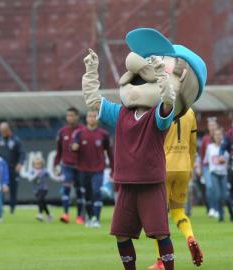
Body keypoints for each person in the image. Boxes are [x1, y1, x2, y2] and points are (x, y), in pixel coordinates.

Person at [83, 50, 177, 270]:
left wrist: (161, 74)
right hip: (126, 184)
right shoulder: (120, 113)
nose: (136, 89)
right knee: (121, 235)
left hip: (151, 183)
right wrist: (91, 70)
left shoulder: (157, 117)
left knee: (160, 234)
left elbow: (168, 101)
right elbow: (93, 100)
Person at [148, 109, 203, 270]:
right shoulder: (190, 112)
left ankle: (160, 261)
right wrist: (190, 167)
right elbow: (193, 144)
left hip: (163, 167)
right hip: (184, 167)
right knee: (178, 211)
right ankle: (190, 237)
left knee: (159, 216)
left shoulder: (161, 109)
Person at [71, 110, 113, 228]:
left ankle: (96, 219)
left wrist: (113, 169)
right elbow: (72, 147)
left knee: (96, 191)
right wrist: (74, 148)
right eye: (90, 116)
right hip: (83, 169)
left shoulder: (103, 134)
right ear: (86, 118)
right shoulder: (79, 133)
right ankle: (90, 217)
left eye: (95, 116)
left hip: (98, 169)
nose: (92, 118)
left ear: (98, 118)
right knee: (87, 195)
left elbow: (109, 152)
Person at [54, 107, 85, 224]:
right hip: (66, 165)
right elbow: (59, 150)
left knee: (79, 191)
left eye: (72, 115)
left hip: (80, 166)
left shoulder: (83, 130)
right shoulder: (62, 131)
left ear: (77, 116)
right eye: (68, 116)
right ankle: (65, 214)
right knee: (66, 189)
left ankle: (79, 217)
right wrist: (56, 165)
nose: (70, 118)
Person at [205, 128, 232, 222]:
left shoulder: (226, 148)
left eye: (220, 135)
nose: (218, 137)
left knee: (225, 195)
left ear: (223, 136)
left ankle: (231, 212)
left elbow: (229, 161)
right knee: (217, 195)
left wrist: (224, 162)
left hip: (224, 174)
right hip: (214, 173)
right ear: (213, 137)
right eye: (216, 135)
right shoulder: (210, 147)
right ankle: (221, 216)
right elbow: (207, 161)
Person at [0, 122, 25, 214]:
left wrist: (20, 163)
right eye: (1, 131)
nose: (2, 133)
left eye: (3, 131)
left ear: (8, 130)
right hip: (2, 169)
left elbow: (22, 153)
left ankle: (12, 209)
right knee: (1, 188)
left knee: (13, 189)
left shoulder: (16, 140)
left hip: (13, 168)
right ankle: (0, 208)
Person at [199, 117, 219, 217]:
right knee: (209, 187)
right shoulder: (205, 139)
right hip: (207, 167)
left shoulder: (220, 137)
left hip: (217, 166)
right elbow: (202, 154)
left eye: (214, 125)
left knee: (216, 188)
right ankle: (211, 208)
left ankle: (216, 208)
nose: (212, 127)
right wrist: (201, 168)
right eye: (210, 125)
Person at [27, 156, 52, 222]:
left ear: (42, 164)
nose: (37, 165)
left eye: (39, 164)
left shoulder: (44, 170)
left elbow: (51, 175)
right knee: (42, 202)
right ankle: (49, 215)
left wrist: (58, 176)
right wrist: (36, 174)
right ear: (33, 164)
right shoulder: (32, 171)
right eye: (36, 164)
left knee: (39, 199)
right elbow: (30, 179)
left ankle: (40, 214)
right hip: (36, 189)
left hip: (44, 188)